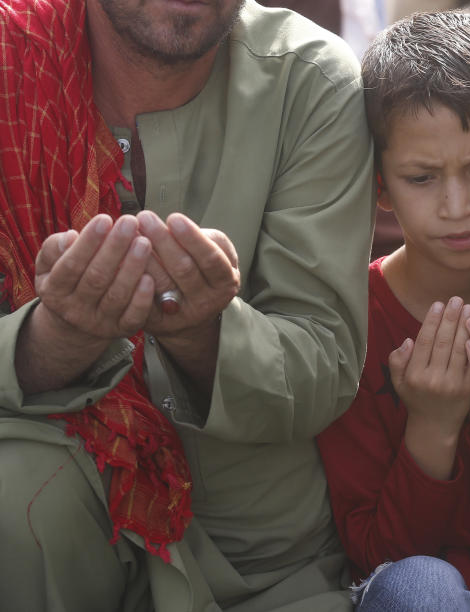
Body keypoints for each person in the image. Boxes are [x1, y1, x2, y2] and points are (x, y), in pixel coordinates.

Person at [0, 0, 374, 610]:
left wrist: (203, 331)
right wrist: (58, 338)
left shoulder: (310, 81)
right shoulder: (13, 68)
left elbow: (325, 365)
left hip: (263, 571)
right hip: (57, 535)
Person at [316, 11, 470, 610]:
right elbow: (376, 561)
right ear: (380, 186)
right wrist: (431, 424)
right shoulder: (351, 322)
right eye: (422, 178)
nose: (457, 206)